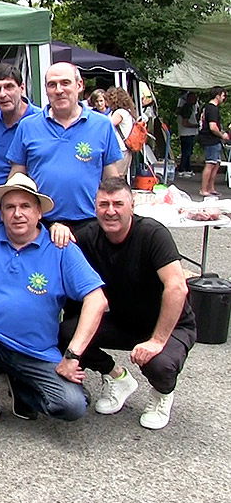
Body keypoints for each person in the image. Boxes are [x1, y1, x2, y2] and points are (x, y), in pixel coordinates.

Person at [0, 172, 108, 437]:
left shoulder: (60, 246)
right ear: (1, 213)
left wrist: (73, 355)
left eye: (25, 206)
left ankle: (23, 387)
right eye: (10, 207)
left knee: (73, 406)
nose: (17, 214)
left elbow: (97, 299)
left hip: (37, 352)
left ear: (39, 213)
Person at [59, 178, 197, 430]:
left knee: (159, 365)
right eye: (103, 204)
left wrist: (157, 341)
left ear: (132, 205)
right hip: (123, 321)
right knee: (67, 333)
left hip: (170, 326)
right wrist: (57, 228)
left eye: (118, 204)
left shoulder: (153, 234)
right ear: (95, 207)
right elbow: (57, 248)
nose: (110, 211)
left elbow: (177, 287)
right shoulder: (89, 235)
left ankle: (162, 393)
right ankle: (117, 377)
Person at [7, 62, 124, 231]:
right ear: (46, 90)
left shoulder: (102, 125)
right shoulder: (28, 126)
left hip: (89, 223)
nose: (59, 90)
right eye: (52, 85)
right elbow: (16, 177)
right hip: (41, 225)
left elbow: (111, 180)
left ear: (79, 85)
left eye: (65, 83)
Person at [0, 63, 42, 225]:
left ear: (22, 88)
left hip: (21, 218)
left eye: (9, 87)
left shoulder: (39, 122)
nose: (3, 94)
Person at [197, 86, 229, 197]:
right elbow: (213, 127)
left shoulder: (206, 107)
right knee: (210, 164)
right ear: (217, 95)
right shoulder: (212, 109)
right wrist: (222, 135)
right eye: (223, 96)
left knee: (216, 164)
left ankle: (211, 188)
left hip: (213, 139)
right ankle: (204, 189)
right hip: (210, 139)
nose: (224, 98)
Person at [105, 86, 136, 176]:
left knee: (114, 177)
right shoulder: (128, 112)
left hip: (119, 149)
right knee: (121, 177)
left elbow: (107, 126)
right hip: (126, 150)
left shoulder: (119, 113)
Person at [176, 91, 199, 178]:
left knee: (187, 152)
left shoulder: (189, 107)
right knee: (186, 152)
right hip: (187, 133)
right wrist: (196, 125)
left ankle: (187, 168)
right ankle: (182, 169)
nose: (195, 100)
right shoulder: (186, 109)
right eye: (194, 98)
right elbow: (185, 123)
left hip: (187, 133)